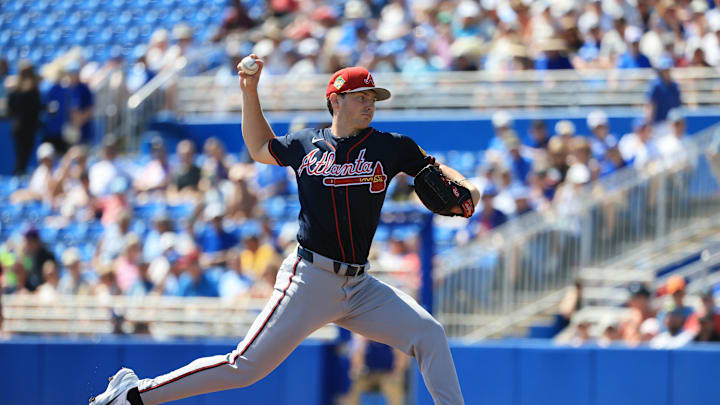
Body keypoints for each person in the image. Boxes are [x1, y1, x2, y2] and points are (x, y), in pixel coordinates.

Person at [90, 62, 477, 405]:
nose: (369, 102)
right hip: (310, 280)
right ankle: (134, 394)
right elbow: (259, 146)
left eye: (373, 96)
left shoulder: (392, 147)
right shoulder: (305, 144)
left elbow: (436, 171)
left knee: (430, 334)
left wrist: (467, 189)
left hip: (360, 286)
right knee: (243, 366)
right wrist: (249, 89)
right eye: (360, 96)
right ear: (336, 100)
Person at [7, 60, 43, 175]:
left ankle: (19, 174)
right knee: (24, 155)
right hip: (28, 127)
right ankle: (19, 175)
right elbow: (37, 107)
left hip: (18, 126)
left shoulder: (15, 89)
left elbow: (10, 108)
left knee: (20, 155)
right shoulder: (32, 90)